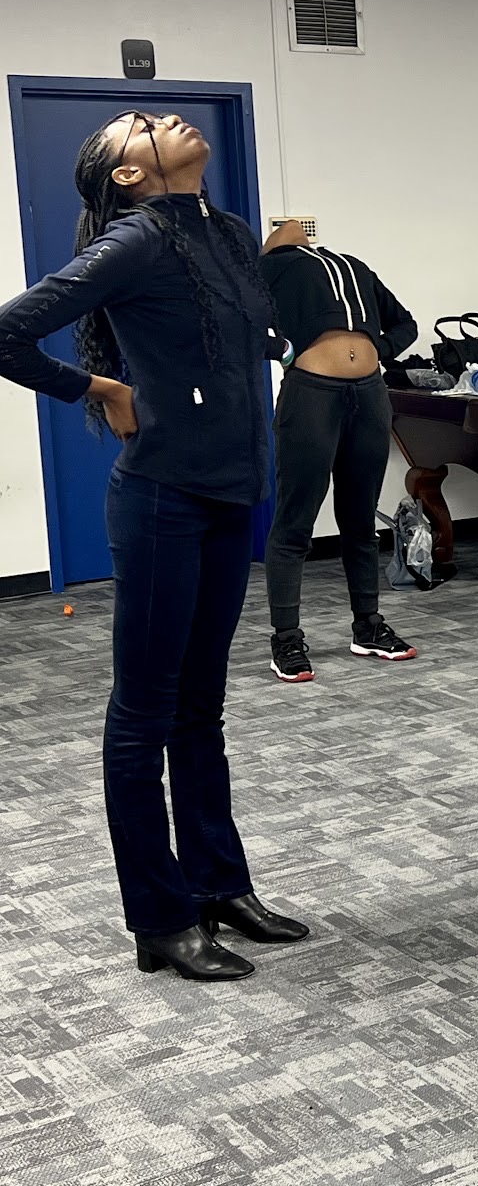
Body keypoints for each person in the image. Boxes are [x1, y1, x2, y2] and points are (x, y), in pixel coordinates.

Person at [0, 111, 309, 980]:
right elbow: (6, 332)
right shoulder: (134, 239)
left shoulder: (229, 231)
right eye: (136, 125)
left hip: (228, 495)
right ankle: (160, 920)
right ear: (127, 175)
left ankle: (219, 885)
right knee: (143, 715)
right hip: (163, 499)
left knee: (200, 706)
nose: (163, 117)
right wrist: (100, 388)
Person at [260, 220, 419, 682]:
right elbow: (233, 321)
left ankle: (368, 626)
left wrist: (378, 349)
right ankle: (286, 638)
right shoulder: (269, 269)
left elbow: (405, 323)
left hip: (369, 395)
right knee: (295, 520)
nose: (294, 227)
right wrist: (283, 350)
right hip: (312, 394)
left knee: (360, 520)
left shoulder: (353, 266)